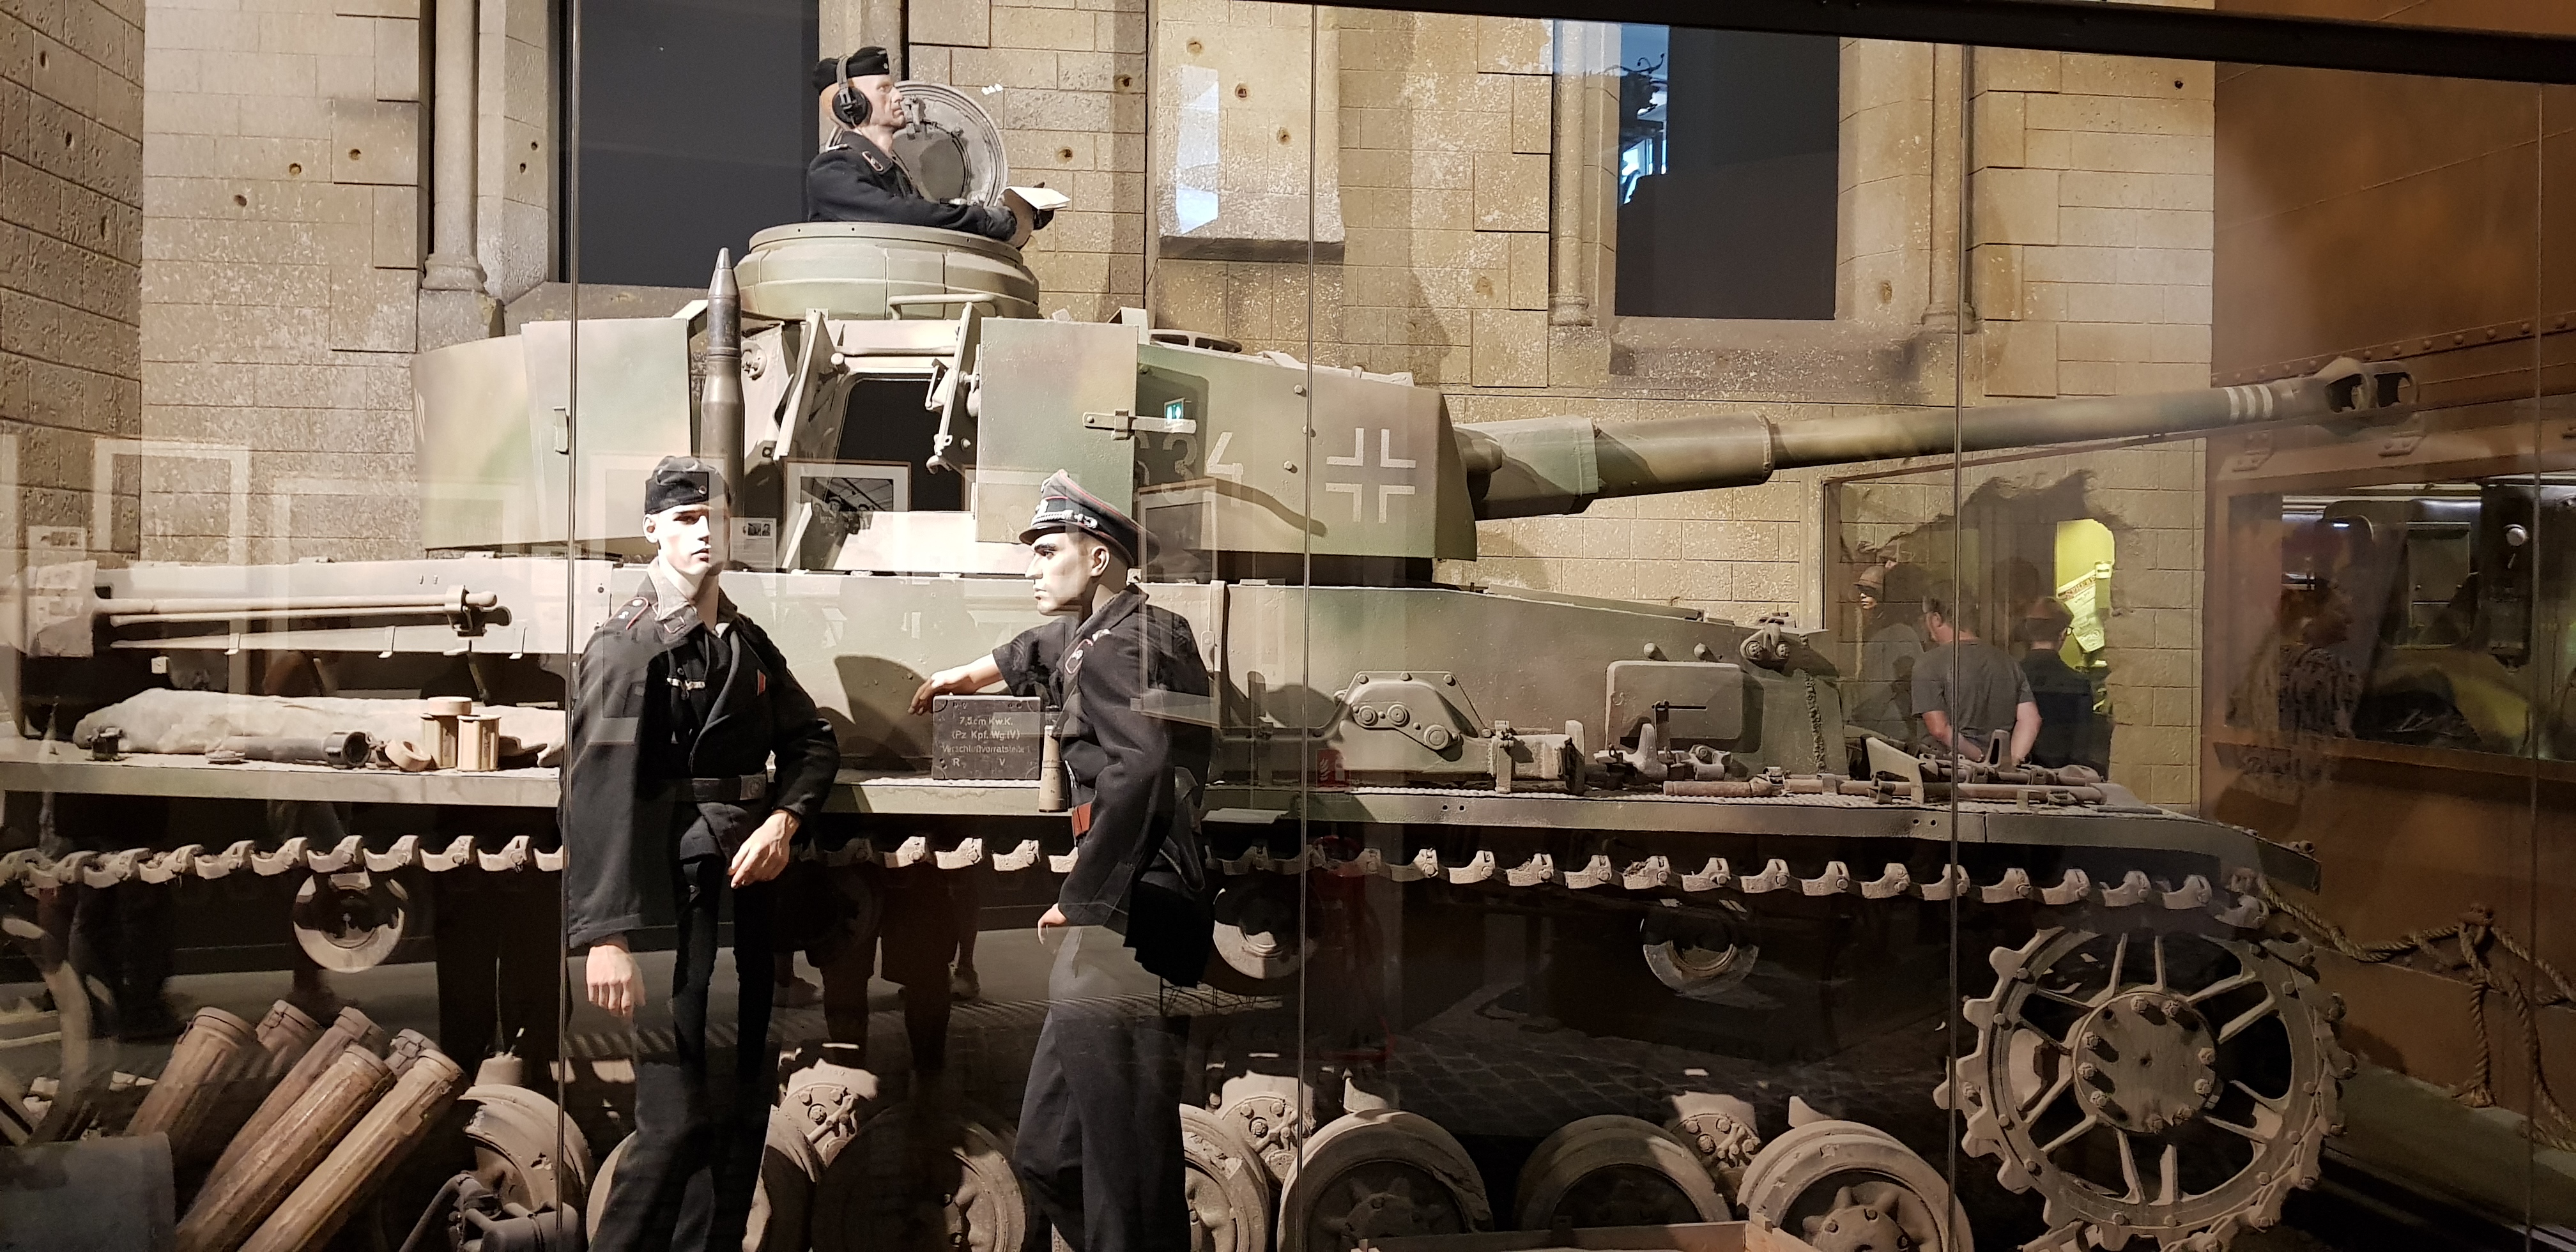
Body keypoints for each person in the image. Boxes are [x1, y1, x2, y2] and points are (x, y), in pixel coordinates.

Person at [909, 471, 1211, 1252]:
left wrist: (1082, 899)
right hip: (1136, 904)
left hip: (1128, 914)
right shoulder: (1143, 629)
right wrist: (971, 673)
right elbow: (1052, 647)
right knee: (1050, 1153)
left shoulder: (1117, 650)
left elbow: (1141, 769)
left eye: (1048, 552)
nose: (1032, 568)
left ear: (1099, 557)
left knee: (1123, 1161)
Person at [562, 456, 842, 1252]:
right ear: (652, 529)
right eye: (685, 519)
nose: (703, 532)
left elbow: (813, 740)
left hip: (745, 891)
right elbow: (599, 792)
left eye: (714, 517)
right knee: (675, 1117)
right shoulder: (629, 647)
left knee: (740, 1111)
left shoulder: (742, 640)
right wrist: (605, 935)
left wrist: (784, 821)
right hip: (667, 901)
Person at [806, 47, 1032, 241]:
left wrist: (1020, 219)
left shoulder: (892, 173)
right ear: (850, 104)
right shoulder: (832, 170)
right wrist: (985, 220)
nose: (898, 96)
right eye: (884, 89)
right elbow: (903, 217)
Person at [1912, 582, 2040, 767]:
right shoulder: (2008, 663)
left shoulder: (1928, 664)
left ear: (1936, 619)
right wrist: (2010, 762)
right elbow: (2031, 720)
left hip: (1947, 772)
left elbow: (1940, 729)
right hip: (2001, 775)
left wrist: (1979, 758)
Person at [2014, 599, 2108, 773]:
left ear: (2029, 632)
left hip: (2015, 772)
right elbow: (2081, 746)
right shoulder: (2078, 683)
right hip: (2061, 775)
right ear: (2063, 633)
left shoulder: (2011, 676)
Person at [1847, 560, 1926, 743]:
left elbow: (1884, 688)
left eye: (1870, 592)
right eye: (1862, 591)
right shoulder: (1877, 629)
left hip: (1892, 728)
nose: (1863, 596)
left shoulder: (1900, 633)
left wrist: (1857, 717)